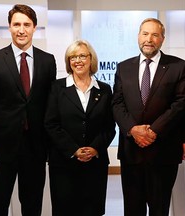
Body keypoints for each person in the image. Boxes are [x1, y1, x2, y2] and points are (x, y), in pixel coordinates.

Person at [0, 4, 57, 216]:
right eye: (16, 24)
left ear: (34, 28)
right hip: (0, 150)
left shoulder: (48, 61)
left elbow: (50, 106)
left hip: (36, 148)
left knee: (32, 205)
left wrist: (52, 146)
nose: (21, 30)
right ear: (9, 28)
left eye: (26, 25)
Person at [112, 18, 185, 216]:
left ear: (162, 39)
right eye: (145, 34)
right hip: (131, 151)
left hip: (163, 151)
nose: (149, 39)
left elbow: (180, 104)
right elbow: (117, 103)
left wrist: (153, 130)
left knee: (160, 208)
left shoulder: (179, 67)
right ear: (138, 36)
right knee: (132, 208)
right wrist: (132, 130)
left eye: (155, 35)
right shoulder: (124, 67)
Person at [44, 39, 116, 216]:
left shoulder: (105, 90)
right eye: (73, 57)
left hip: (95, 164)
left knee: (92, 210)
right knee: (65, 210)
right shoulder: (56, 87)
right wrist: (74, 150)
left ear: (91, 59)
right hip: (64, 163)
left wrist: (94, 148)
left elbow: (109, 126)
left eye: (82, 56)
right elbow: (51, 124)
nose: (78, 60)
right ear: (68, 62)